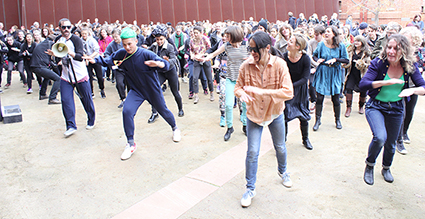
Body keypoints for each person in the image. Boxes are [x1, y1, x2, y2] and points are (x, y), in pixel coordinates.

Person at [86, 28, 181, 160]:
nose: (127, 47)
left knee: (163, 110)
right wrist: (94, 61)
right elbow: (108, 60)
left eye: (130, 44)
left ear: (136, 41)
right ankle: (130, 144)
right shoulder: (122, 53)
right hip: (136, 90)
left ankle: (175, 128)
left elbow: (167, 64)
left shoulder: (146, 53)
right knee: (127, 111)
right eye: (124, 44)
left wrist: (158, 63)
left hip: (152, 89)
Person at [235, 31, 294, 207]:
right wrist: (241, 94)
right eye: (250, 49)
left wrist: (263, 92)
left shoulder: (280, 65)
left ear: (267, 48)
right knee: (252, 151)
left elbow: (288, 92)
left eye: (255, 49)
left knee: (280, 147)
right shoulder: (246, 66)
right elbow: (237, 87)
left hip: (275, 113)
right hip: (254, 115)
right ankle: (250, 188)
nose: (252, 53)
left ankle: (283, 172)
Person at [359, 34, 425, 185]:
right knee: (380, 137)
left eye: (396, 48)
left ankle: (386, 168)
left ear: (404, 51)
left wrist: (412, 91)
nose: (391, 51)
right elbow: (363, 84)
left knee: (391, 143)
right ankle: (369, 165)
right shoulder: (378, 63)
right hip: (376, 106)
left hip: (396, 108)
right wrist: (385, 82)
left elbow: (423, 86)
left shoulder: (409, 65)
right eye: (389, 47)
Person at [46, 18, 96, 137]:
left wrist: (68, 52)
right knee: (66, 101)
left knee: (86, 100)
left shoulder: (76, 39)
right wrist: (55, 55)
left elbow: (80, 56)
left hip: (80, 75)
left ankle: (91, 119)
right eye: (64, 27)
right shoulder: (58, 40)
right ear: (59, 28)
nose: (67, 29)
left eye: (69, 27)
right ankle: (71, 126)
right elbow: (58, 57)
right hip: (66, 76)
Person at [202, 26, 249, 141]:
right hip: (231, 79)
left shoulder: (246, 45)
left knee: (244, 105)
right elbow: (214, 53)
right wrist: (206, 57)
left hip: (244, 81)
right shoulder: (227, 46)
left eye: (228, 36)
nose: (226, 38)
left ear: (235, 36)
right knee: (228, 105)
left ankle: (245, 124)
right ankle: (230, 127)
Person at [312, 26, 349, 131]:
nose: (326, 33)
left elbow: (346, 60)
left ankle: (337, 120)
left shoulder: (340, 46)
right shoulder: (321, 45)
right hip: (323, 71)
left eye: (328, 31)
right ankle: (317, 120)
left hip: (334, 72)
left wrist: (335, 59)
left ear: (334, 34)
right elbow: (314, 56)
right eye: (325, 32)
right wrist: (318, 60)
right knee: (319, 98)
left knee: (336, 98)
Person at [395, 26, 424, 154]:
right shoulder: (396, 51)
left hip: (413, 86)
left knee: (409, 111)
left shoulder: (417, 54)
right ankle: (398, 140)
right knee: (401, 112)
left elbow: (421, 65)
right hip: (399, 87)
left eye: (407, 38)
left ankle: (404, 132)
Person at [147, 25, 184, 123]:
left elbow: (173, 59)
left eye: (161, 39)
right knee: (153, 89)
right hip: (160, 72)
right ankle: (154, 112)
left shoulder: (169, 47)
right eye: (157, 39)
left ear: (165, 38)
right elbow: (145, 53)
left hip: (170, 71)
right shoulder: (154, 46)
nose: (159, 41)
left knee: (175, 92)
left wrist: (167, 61)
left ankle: (180, 108)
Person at [283, 34, 313, 150]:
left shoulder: (305, 58)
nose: (288, 43)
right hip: (287, 90)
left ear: (297, 46)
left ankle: (305, 139)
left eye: (291, 42)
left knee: (303, 116)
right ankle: (282, 141)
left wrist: (291, 85)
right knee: (284, 115)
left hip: (300, 90)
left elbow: (305, 79)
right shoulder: (284, 57)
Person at [342, 35, 371, 117]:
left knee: (363, 90)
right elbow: (346, 60)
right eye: (355, 41)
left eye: (358, 41)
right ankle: (348, 108)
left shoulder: (366, 52)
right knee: (349, 88)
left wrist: (361, 64)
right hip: (352, 73)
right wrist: (346, 64)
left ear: (362, 42)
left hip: (362, 74)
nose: (356, 43)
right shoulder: (351, 51)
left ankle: (361, 106)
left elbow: (368, 64)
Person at [30, 37, 61, 104]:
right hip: (39, 66)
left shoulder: (44, 44)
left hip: (36, 66)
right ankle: (52, 98)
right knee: (58, 79)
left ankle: (42, 94)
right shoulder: (50, 44)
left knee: (47, 77)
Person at [190, 26, 214, 103]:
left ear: (201, 33)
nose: (195, 34)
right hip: (197, 60)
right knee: (194, 78)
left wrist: (203, 56)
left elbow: (209, 49)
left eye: (197, 33)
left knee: (209, 78)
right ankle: (196, 95)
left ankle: (211, 93)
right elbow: (191, 50)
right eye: (194, 33)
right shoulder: (192, 41)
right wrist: (192, 55)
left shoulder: (205, 39)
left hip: (205, 59)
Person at [104, 28, 126, 108]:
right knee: (119, 84)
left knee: (130, 84)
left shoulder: (125, 43)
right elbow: (106, 53)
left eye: (116, 36)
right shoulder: (111, 45)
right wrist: (111, 60)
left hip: (127, 67)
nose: (115, 39)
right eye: (113, 37)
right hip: (117, 68)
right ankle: (123, 99)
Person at [81, 28, 105, 98]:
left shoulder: (92, 40)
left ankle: (102, 89)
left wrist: (90, 58)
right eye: (82, 34)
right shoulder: (81, 41)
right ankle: (91, 92)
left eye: (85, 34)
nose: (84, 35)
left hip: (95, 59)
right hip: (87, 60)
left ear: (88, 34)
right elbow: (82, 52)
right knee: (89, 77)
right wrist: (86, 59)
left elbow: (96, 51)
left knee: (99, 76)